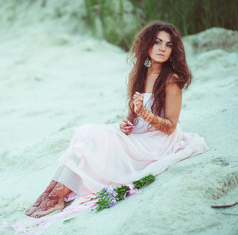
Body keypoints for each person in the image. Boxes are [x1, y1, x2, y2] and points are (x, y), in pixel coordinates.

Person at [25, 21, 208, 218]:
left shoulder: (171, 80)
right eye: (157, 42)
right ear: (147, 44)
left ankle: (58, 197)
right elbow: (133, 113)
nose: (163, 48)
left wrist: (145, 115)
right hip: (138, 133)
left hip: (158, 141)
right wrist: (127, 123)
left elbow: (171, 127)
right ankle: (52, 194)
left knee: (96, 137)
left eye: (168, 44)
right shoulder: (137, 75)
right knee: (88, 135)